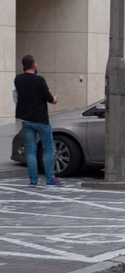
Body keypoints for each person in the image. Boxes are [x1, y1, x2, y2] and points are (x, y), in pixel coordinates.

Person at [14, 55, 64, 187]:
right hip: (41, 120)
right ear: (34, 65)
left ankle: (33, 181)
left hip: (26, 119)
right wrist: (55, 99)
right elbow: (49, 98)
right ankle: (50, 179)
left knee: (31, 150)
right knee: (48, 149)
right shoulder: (39, 80)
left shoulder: (18, 79)